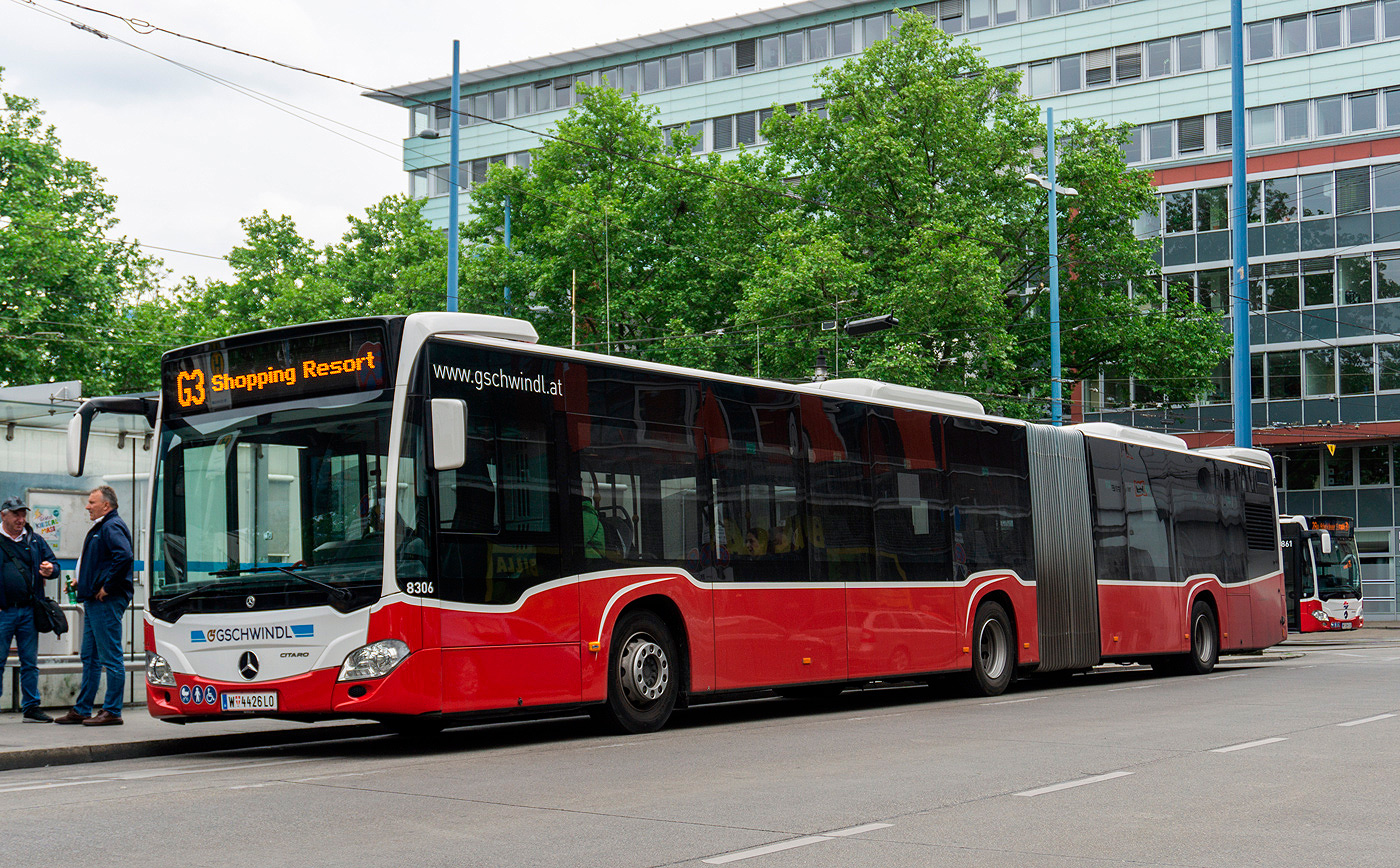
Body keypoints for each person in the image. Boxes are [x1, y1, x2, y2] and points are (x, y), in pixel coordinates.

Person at [54, 486, 133, 727]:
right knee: (90, 656)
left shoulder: (111, 526)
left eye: (91, 502)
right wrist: (83, 581)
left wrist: (107, 587)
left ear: (106, 506)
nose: (87, 506)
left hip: (105, 601)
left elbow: (124, 556)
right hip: (93, 600)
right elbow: (105, 561)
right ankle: (82, 708)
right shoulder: (102, 527)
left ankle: (112, 710)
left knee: (110, 657)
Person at [0, 496, 58, 723]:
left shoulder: (35, 540)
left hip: (28, 611)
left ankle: (31, 707)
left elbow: (54, 566)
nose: (21, 519)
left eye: (23, 514)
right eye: (16, 514)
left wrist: (50, 569)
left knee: (29, 662)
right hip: (3, 611)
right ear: (3, 515)